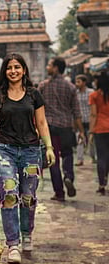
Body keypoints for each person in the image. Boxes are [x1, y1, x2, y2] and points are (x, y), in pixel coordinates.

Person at [0, 53, 55, 264]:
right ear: (4, 71)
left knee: (28, 197)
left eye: (17, 67)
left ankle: (26, 233)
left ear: (23, 70)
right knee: (10, 194)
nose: (13, 71)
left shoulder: (34, 95)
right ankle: (13, 244)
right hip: (5, 151)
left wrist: (48, 147)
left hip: (31, 151)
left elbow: (42, 123)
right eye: (9, 67)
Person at [38, 57, 85, 201]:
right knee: (67, 154)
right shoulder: (70, 87)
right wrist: (81, 131)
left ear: (56, 68)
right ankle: (68, 176)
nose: (47, 67)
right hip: (66, 127)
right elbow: (76, 111)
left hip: (49, 128)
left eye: (49, 65)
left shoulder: (43, 86)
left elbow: (37, 109)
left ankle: (59, 193)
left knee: (53, 159)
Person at [89, 72, 109, 195]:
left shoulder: (94, 95)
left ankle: (102, 184)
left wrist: (91, 131)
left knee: (101, 157)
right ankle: (105, 177)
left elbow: (93, 115)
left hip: (100, 129)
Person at [74, 74, 95, 166]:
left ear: (84, 82)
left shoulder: (91, 92)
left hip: (90, 120)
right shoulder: (75, 93)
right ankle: (80, 159)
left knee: (92, 141)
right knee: (80, 140)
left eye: (79, 81)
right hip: (80, 121)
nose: (77, 84)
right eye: (76, 82)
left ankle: (93, 157)